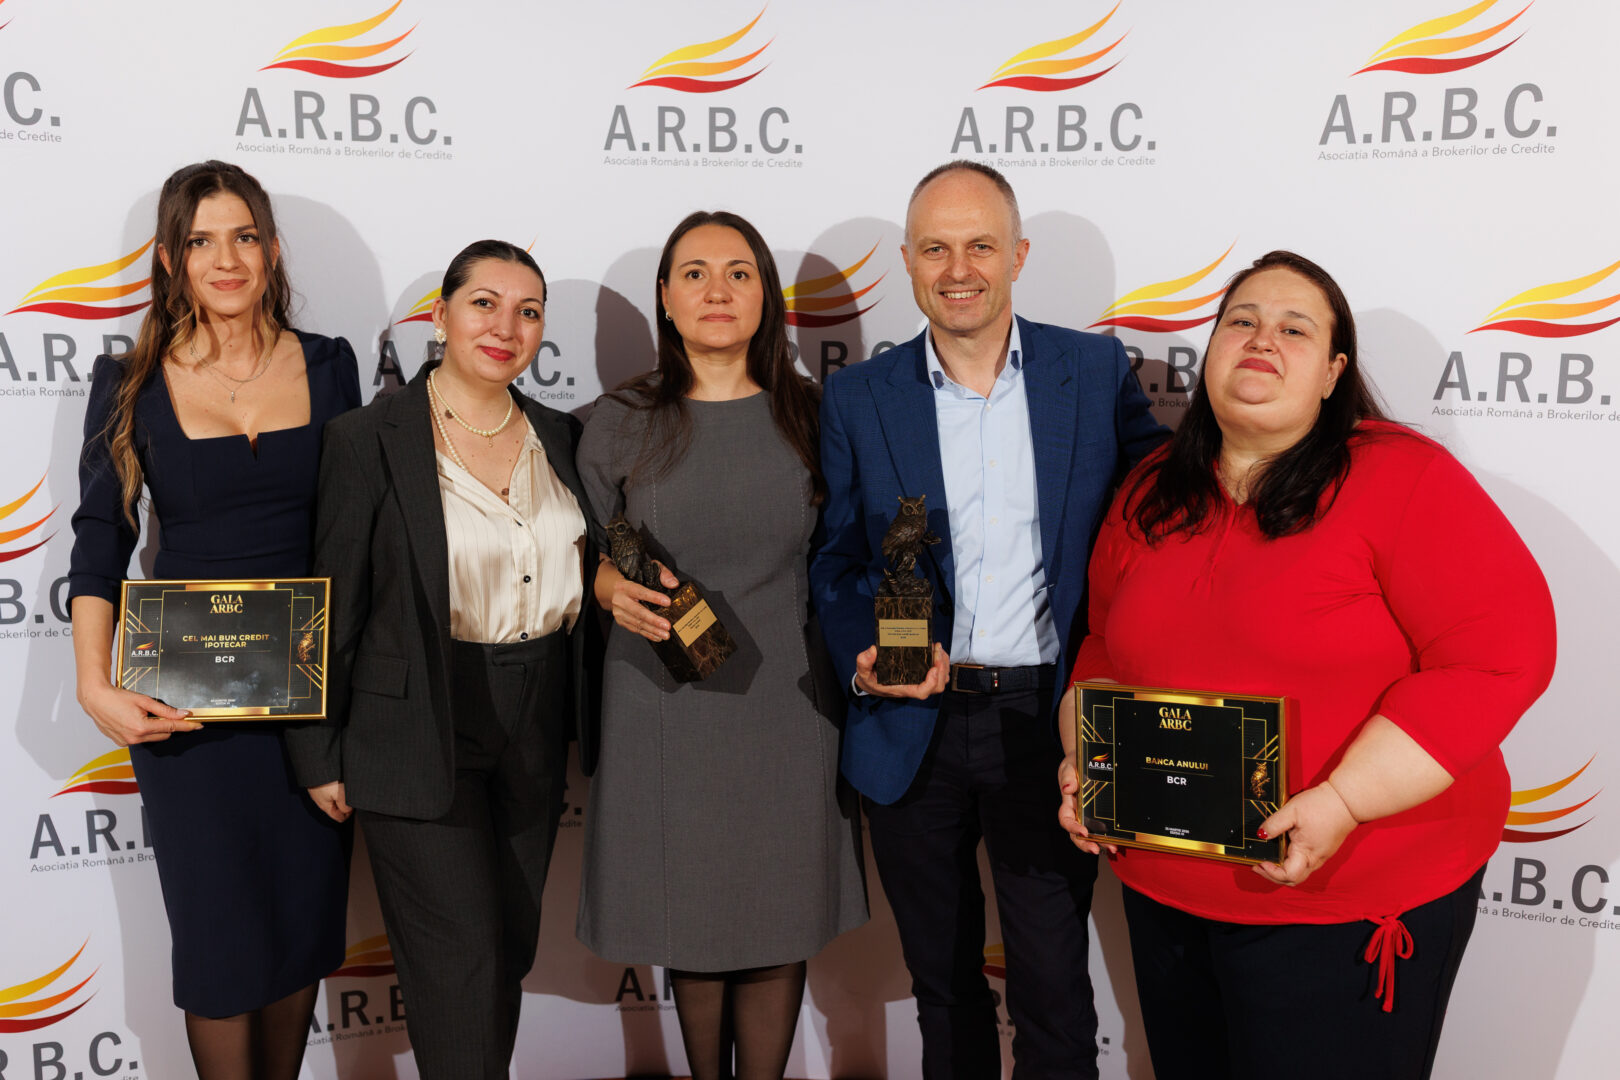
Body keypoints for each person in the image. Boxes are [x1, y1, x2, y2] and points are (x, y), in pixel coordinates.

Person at [1057, 251, 1557, 1080]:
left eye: (1294, 329)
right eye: (1242, 322)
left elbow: (1500, 659)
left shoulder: (1404, 478)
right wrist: (1091, 761)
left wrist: (1344, 800)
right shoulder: (1151, 487)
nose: (1262, 340)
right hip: (1167, 897)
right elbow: (1103, 649)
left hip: (1344, 902)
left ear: (1333, 374)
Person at [810, 161, 1168, 1078]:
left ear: (1018, 255)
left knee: (1053, 988)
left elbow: (1164, 504)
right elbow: (839, 560)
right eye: (935, 248)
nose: (958, 268)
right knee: (942, 986)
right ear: (906, 261)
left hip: (1045, 723)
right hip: (909, 725)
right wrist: (864, 652)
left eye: (980, 245)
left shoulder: (1092, 371)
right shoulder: (858, 396)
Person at [283, 240, 601, 1078]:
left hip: (536, 717)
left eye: (528, 312)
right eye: (484, 303)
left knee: (505, 950)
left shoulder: (562, 437)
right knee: (458, 962)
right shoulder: (367, 438)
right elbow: (334, 600)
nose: (506, 327)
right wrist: (316, 748)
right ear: (440, 316)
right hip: (414, 722)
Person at [67, 160, 357, 1079]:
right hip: (186, 717)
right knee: (220, 954)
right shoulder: (130, 381)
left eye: (244, 237)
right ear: (169, 258)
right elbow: (99, 539)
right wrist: (93, 684)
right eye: (200, 241)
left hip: (308, 710)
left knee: (299, 937)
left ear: (270, 250)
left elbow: (357, 539)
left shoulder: (330, 365)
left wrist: (352, 718)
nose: (225, 260)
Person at [575, 210, 867, 1080]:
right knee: (692, 918)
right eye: (694, 273)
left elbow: (849, 556)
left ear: (766, 297)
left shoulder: (815, 415)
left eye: (739, 272)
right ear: (665, 298)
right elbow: (573, 545)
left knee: (778, 917)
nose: (717, 290)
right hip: (659, 705)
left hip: (790, 708)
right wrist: (600, 580)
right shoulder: (618, 421)